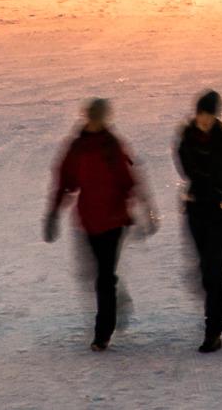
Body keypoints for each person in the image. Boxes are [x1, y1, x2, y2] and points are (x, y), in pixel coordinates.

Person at [46, 98, 144, 350]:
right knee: (93, 273)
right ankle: (116, 302)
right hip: (88, 221)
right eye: (92, 117)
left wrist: (140, 209)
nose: (95, 122)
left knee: (104, 276)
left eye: (98, 118)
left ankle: (102, 333)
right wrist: (52, 213)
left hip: (113, 221)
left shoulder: (112, 146)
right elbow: (64, 180)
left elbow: (128, 181)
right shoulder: (77, 147)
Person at [174, 89, 222, 353]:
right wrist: (198, 184)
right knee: (206, 271)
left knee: (215, 272)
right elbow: (184, 163)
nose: (205, 120)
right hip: (197, 210)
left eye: (210, 116)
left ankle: (213, 329)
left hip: (219, 212)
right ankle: (217, 317)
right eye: (202, 115)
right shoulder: (186, 136)